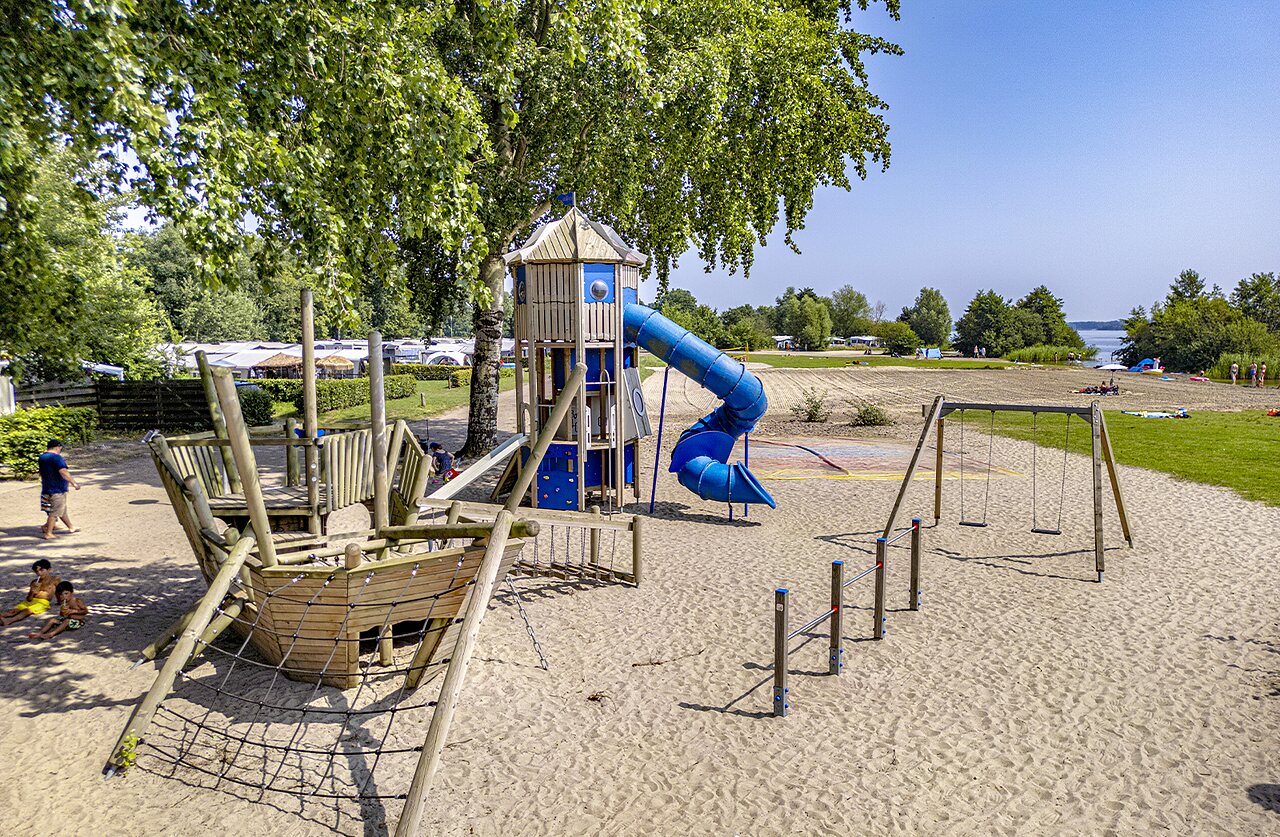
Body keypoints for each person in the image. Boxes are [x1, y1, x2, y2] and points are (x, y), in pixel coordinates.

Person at [38, 439, 80, 540]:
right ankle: (48, 533)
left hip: (46, 488)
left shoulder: (42, 457)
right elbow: (63, 471)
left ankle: (71, 527)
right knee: (55, 512)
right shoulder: (57, 457)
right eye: (60, 447)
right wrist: (73, 483)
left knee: (61, 509)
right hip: (57, 489)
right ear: (57, 447)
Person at [0, 559, 60, 626]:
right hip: (30, 601)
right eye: (36, 571)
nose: (39, 573)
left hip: (42, 603)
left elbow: (59, 591)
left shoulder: (54, 579)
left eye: (41, 570)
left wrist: (60, 601)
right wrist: (32, 592)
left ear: (49, 570)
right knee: (13, 611)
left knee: (27, 611)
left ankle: (9, 620)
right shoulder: (34, 582)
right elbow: (29, 599)